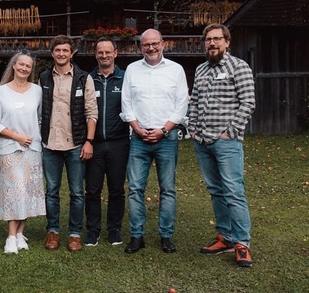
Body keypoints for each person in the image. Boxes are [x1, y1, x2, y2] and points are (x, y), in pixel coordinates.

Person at [188, 23, 256, 268]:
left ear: (227, 42)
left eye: (217, 39)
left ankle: (242, 243)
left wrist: (230, 132)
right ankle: (225, 237)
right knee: (216, 190)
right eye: (208, 39)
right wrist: (192, 128)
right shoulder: (201, 69)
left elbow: (248, 103)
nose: (212, 43)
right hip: (202, 141)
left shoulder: (239, 67)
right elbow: (194, 101)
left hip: (226, 143)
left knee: (233, 191)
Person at [120, 29, 188, 255]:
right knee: (135, 189)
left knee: (167, 189)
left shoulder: (176, 70)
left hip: (167, 137)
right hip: (139, 138)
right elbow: (126, 103)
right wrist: (137, 128)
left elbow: (181, 104)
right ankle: (136, 236)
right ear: (141, 47)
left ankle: (166, 236)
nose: (151, 48)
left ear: (162, 44)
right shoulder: (132, 70)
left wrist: (164, 130)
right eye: (146, 44)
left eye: (154, 44)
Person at [38, 35, 98, 252]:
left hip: (76, 144)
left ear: (72, 53)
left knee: (77, 193)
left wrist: (89, 141)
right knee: (51, 192)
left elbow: (91, 112)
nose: (61, 54)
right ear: (52, 53)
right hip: (50, 145)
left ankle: (74, 234)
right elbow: (40, 110)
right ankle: (52, 231)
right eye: (58, 50)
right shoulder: (44, 78)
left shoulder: (83, 78)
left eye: (65, 50)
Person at [0, 50, 46, 254]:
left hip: (32, 148)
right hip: (10, 148)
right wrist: (16, 137)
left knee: (28, 192)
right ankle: (11, 237)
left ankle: (21, 233)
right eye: (21, 64)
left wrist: (32, 136)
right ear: (14, 66)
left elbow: (41, 117)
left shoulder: (37, 91)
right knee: (15, 191)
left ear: (31, 70)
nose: (24, 68)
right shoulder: (1, 92)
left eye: (28, 66)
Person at [84, 37, 130, 247]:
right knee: (92, 190)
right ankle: (93, 231)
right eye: (100, 52)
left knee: (116, 189)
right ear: (95, 55)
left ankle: (114, 230)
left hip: (118, 142)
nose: (104, 56)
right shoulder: (88, 79)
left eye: (108, 52)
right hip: (94, 143)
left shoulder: (125, 78)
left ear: (115, 53)